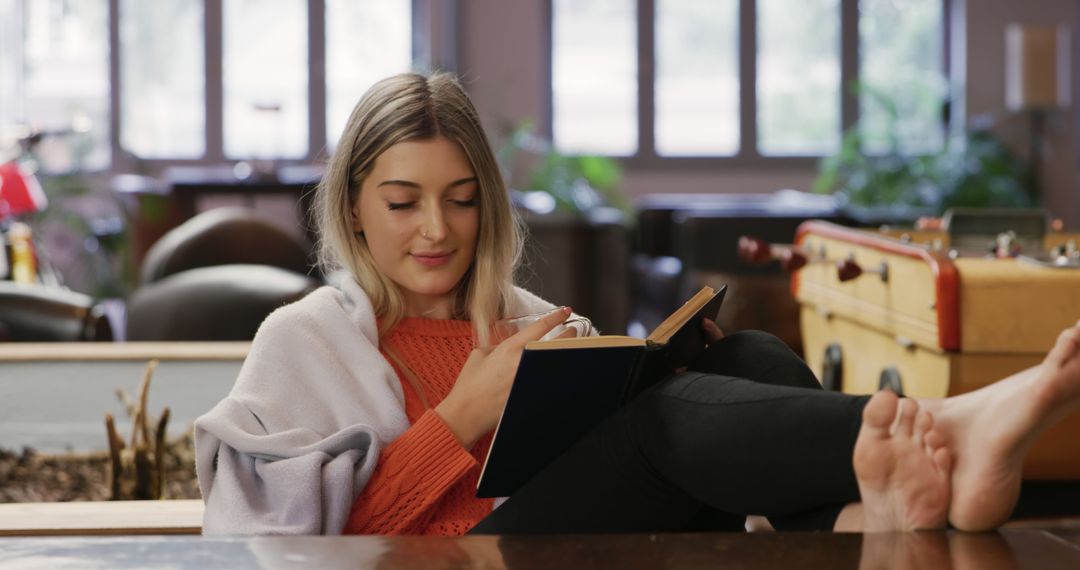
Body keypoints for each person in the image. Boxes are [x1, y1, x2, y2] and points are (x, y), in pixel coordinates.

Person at [194, 71, 1080, 536]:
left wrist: (681, 376)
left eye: (461, 199)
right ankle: (955, 430)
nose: (436, 228)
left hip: (580, 541)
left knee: (751, 359)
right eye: (403, 202)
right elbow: (291, 552)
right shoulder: (304, 342)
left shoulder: (529, 321)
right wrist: (458, 419)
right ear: (353, 205)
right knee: (654, 430)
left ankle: (858, 520)